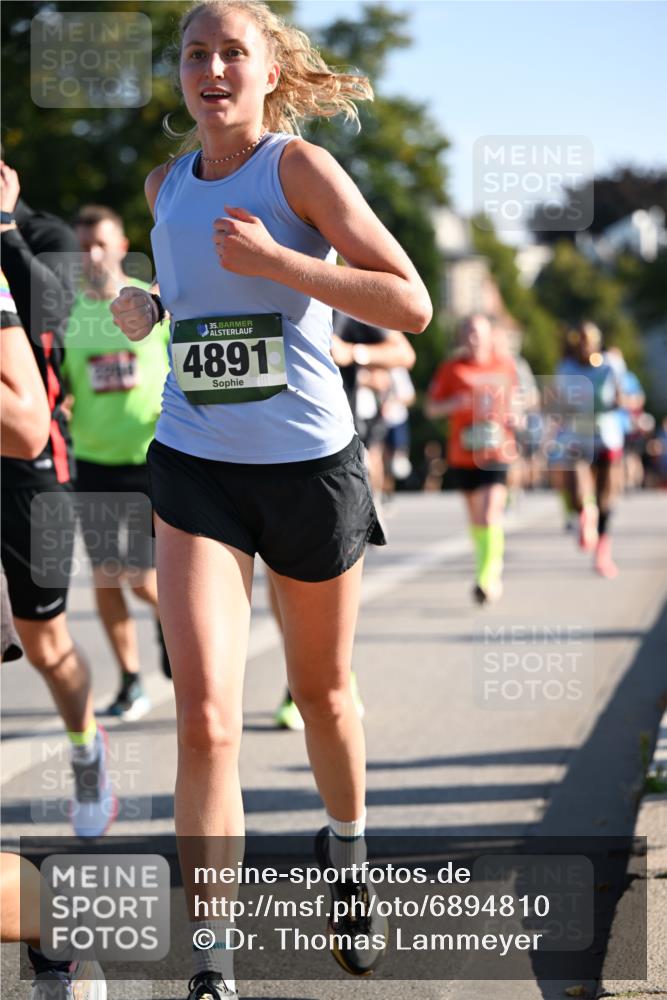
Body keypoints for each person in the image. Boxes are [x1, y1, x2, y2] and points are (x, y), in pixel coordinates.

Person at [110, 2, 431, 997]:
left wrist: (288, 263)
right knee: (204, 718)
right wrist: (148, 307)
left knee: (324, 694)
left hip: (307, 469)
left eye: (231, 53)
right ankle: (213, 958)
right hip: (195, 461)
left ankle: (348, 856)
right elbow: (203, 299)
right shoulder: (164, 187)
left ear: (266, 72)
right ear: (180, 74)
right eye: (195, 53)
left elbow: (410, 301)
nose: (212, 68)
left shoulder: (296, 170)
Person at [0, 161, 116, 841]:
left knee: (45, 641)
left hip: (34, 461)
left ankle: (86, 751)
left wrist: (5, 227)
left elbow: (59, 312)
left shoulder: (42, 231)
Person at [63, 204, 172, 719]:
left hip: (155, 457)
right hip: (94, 461)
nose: (93, 254)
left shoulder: (152, 305)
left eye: (102, 243)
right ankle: (131, 679)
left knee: (146, 580)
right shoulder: (66, 314)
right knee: (107, 576)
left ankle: (174, 626)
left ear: (123, 246)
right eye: (84, 245)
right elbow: (60, 384)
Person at [425, 314, 517, 604]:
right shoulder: (452, 369)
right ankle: (488, 560)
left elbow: (519, 401)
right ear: (462, 337)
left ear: (491, 336)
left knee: (490, 513)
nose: (474, 338)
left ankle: (486, 577)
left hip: (497, 451)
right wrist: (453, 404)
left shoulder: (504, 365)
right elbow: (431, 408)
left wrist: (514, 414)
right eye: (469, 332)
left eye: (479, 333)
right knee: (477, 518)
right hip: (463, 453)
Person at [553, 322, 625, 578]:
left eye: (590, 339)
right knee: (576, 490)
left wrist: (616, 402)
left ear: (597, 341)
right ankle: (586, 513)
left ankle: (603, 553)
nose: (585, 344)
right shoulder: (566, 368)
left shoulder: (610, 365)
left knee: (607, 496)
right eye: (580, 339)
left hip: (606, 434)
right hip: (577, 433)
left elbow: (623, 396)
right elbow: (560, 403)